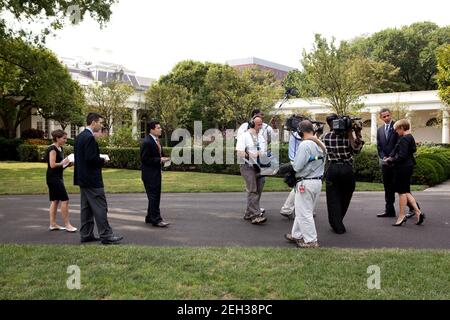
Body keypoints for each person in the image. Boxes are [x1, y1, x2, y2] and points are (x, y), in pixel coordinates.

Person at [74, 113, 123, 245]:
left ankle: (86, 234)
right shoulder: (89, 138)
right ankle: (106, 235)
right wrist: (102, 160)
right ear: (94, 122)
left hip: (82, 178)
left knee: (86, 208)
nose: (101, 125)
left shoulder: (79, 137)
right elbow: (91, 159)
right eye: (100, 123)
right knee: (100, 207)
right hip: (92, 179)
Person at [285, 120, 326, 248]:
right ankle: (297, 235)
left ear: (300, 132)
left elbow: (297, 166)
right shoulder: (320, 144)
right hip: (316, 181)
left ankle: (311, 240)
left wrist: (288, 168)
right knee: (303, 210)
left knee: (304, 213)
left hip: (305, 182)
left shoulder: (305, 145)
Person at [322, 114, 364, 234]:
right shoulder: (348, 136)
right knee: (346, 196)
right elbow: (357, 150)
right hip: (347, 169)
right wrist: (356, 133)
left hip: (332, 168)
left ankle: (336, 224)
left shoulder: (325, 136)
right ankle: (338, 221)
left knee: (332, 197)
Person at [377, 108, 418, 218]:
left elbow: (400, 146)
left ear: (390, 115)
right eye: (384, 116)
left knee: (403, 188)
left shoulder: (398, 127)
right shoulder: (379, 130)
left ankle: (414, 209)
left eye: (388, 115)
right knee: (388, 187)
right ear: (380, 118)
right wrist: (384, 157)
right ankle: (389, 210)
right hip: (386, 163)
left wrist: (391, 157)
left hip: (398, 164)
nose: (386, 118)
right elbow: (379, 147)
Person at [385, 119, 424, 226]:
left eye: (397, 130)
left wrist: (391, 160)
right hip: (409, 166)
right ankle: (418, 212)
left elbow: (402, 156)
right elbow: (412, 150)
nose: (396, 132)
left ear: (402, 128)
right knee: (406, 191)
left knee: (401, 192)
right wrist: (391, 157)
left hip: (403, 168)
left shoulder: (404, 139)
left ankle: (401, 216)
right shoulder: (410, 137)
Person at [236, 115, 267, 224]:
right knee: (253, 189)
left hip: (259, 166)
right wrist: (250, 156)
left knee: (258, 188)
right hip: (247, 166)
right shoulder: (244, 136)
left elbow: (263, 151)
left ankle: (249, 213)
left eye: (261, 124)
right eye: (259, 124)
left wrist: (256, 154)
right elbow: (240, 152)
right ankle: (255, 215)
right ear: (252, 124)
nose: (261, 126)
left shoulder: (262, 137)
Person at [46, 129, 77, 232]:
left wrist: (68, 164)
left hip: (57, 177)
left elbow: (60, 166)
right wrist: (64, 162)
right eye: (64, 138)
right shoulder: (53, 149)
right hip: (53, 178)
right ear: (57, 138)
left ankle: (53, 224)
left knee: (55, 201)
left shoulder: (60, 149)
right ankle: (67, 225)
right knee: (65, 200)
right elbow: (52, 165)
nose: (65, 140)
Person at [141, 121, 171, 227]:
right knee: (154, 197)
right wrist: (159, 160)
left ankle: (150, 217)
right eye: (158, 128)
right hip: (149, 175)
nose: (160, 129)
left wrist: (164, 158)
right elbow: (144, 159)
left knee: (155, 196)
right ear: (152, 130)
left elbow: (159, 154)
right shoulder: (147, 142)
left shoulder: (157, 140)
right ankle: (157, 220)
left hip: (156, 173)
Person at [279, 130, 302, 219]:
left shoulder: (294, 134)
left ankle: (288, 208)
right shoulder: (297, 135)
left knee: (298, 186)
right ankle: (287, 208)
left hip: (295, 161)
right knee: (299, 185)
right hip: (297, 161)